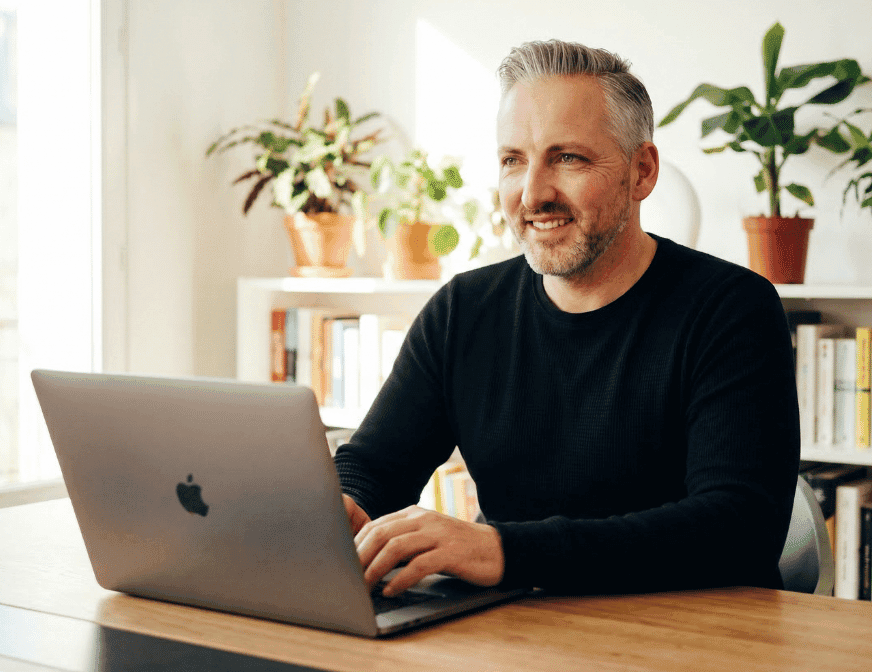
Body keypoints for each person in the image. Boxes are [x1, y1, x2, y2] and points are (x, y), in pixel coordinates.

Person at [335, 39, 800, 598]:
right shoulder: (462, 311)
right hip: (516, 628)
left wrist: (504, 552)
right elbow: (373, 466)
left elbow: (739, 529)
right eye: (513, 160)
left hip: (694, 631)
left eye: (568, 158)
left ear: (642, 171)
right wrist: (342, 506)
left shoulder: (732, 310)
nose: (533, 194)